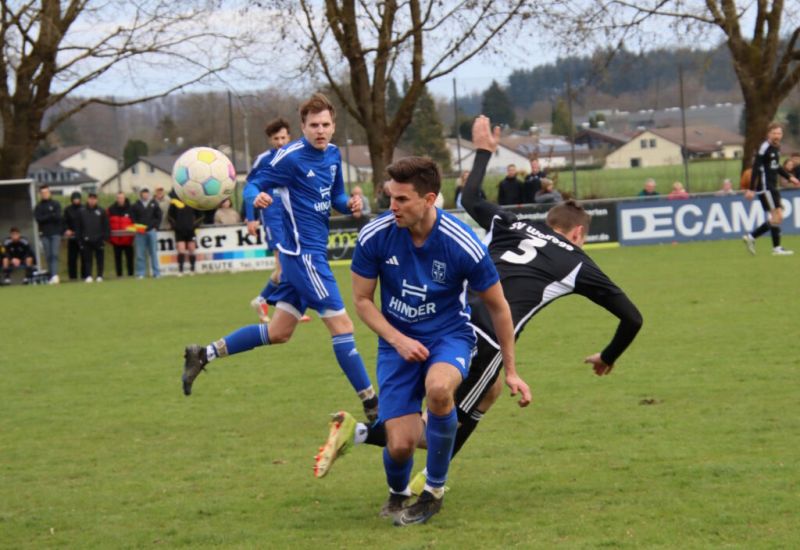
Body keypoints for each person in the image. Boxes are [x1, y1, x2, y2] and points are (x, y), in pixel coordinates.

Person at [314, 116, 643, 509]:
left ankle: (418, 474)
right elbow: (633, 317)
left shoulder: (514, 223)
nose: (394, 206)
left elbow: (470, 198)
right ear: (577, 234)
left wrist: (484, 152)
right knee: (451, 418)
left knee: (480, 394)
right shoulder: (576, 260)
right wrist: (607, 356)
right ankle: (407, 469)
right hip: (482, 335)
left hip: (454, 315)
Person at [318, 154, 528, 526]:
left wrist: (510, 370)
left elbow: (499, 307)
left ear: (429, 199)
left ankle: (433, 492)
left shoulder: (462, 243)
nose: (392, 206)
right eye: (390, 197)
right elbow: (362, 301)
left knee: (439, 390)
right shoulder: (375, 236)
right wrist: (397, 340)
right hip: (395, 343)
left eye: (402, 199)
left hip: (450, 336)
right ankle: (398, 492)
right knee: (400, 444)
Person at [182, 93, 378, 423]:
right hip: (304, 257)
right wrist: (255, 196)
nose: (320, 130)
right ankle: (373, 406)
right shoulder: (289, 158)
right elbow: (253, 182)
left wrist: (350, 204)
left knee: (278, 332)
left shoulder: (332, 154)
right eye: (314, 125)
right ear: (303, 127)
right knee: (343, 326)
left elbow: (337, 196)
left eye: (325, 125)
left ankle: (203, 353)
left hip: (305, 256)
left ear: (333, 126)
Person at [243, 117, 309, 323]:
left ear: (289, 137)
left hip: (292, 218)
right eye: (276, 139)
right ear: (270, 140)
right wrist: (251, 218)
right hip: (272, 217)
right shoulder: (264, 159)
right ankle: (289, 308)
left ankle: (262, 300)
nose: (280, 142)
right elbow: (250, 187)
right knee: (284, 268)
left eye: (283, 138)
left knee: (288, 267)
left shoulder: (296, 156)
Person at [743, 122, 799, 256]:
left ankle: (775, 247)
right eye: (774, 133)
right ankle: (752, 237)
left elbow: (776, 165)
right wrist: (751, 189)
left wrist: (790, 177)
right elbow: (755, 168)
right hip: (765, 187)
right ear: (769, 134)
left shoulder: (776, 147)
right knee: (777, 216)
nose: (777, 136)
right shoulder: (764, 147)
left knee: (777, 217)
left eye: (779, 133)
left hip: (772, 186)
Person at [77, 192, 110, 282]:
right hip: (86, 239)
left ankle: (100, 275)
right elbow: (78, 227)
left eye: (94, 199)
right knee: (87, 259)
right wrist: (80, 240)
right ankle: (88, 275)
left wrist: (105, 238)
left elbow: (106, 226)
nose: (92, 201)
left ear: (97, 200)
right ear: (88, 199)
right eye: (90, 199)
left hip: (99, 239)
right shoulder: (82, 211)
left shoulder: (101, 211)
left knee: (100, 259)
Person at [167, 192, 203, 276]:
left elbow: (201, 216)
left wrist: (194, 225)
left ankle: (192, 269)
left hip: (191, 231)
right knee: (181, 250)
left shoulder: (193, 202)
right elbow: (169, 216)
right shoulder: (174, 203)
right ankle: (181, 270)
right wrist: (175, 226)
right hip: (179, 231)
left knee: (192, 249)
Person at [34, 185, 63, 284]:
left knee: (54, 254)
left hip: (55, 233)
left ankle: (54, 275)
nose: (44, 194)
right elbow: (39, 219)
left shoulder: (56, 204)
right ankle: (51, 276)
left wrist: (47, 217)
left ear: (49, 193)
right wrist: (51, 215)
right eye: (42, 193)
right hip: (44, 234)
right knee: (48, 255)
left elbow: (58, 217)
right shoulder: (38, 207)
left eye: (46, 192)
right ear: (40, 194)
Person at [131, 188, 162, 278]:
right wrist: (137, 226)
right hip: (140, 231)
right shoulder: (136, 205)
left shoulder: (154, 203)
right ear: (141, 194)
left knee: (153, 253)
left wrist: (156, 227)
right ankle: (141, 273)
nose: (145, 195)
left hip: (151, 231)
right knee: (140, 254)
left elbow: (159, 216)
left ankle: (156, 273)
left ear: (149, 194)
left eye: (146, 193)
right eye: (143, 193)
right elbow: (132, 217)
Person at [107, 192, 135, 277]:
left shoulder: (131, 208)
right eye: (118, 198)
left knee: (130, 258)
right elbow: (106, 223)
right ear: (116, 198)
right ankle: (119, 275)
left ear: (124, 198)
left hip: (128, 239)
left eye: (122, 198)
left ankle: (131, 275)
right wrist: (109, 238)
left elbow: (135, 222)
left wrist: (133, 236)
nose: (120, 199)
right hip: (116, 240)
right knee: (117, 259)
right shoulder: (111, 209)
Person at [62, 191, 86, 281]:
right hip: (72, 238)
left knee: (84, 258)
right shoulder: (67, 209)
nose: (76, 200)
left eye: (78, 198)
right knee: (72, 259)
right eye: (74, 199)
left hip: (83, 238)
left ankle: (85, 276)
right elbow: (64, 222)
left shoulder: (84, 208)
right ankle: (72, 277)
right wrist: (66, 229)